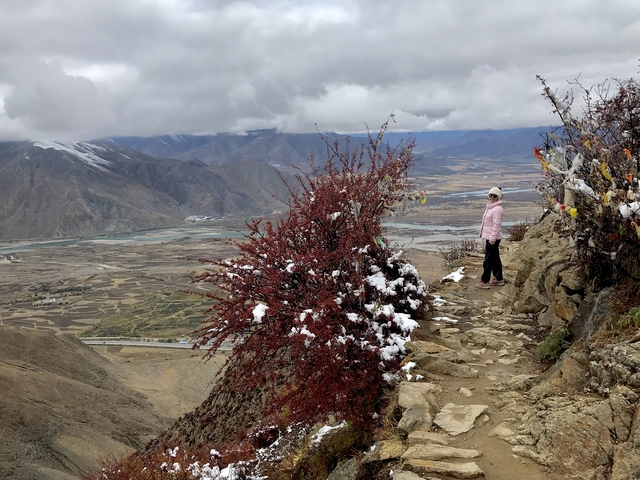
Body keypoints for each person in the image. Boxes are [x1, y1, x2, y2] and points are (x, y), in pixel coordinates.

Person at [476, 187, 504, 289]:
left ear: (498, 197)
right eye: (491, 195)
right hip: (492, 237)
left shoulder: (497, 209)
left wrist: (492, 239)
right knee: (495, 258)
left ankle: (485, 281)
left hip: (493, 238)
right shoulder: (491, 207)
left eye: (495, 196)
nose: (492, 197)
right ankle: (498, 278)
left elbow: (496, 225)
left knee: (488, 259)